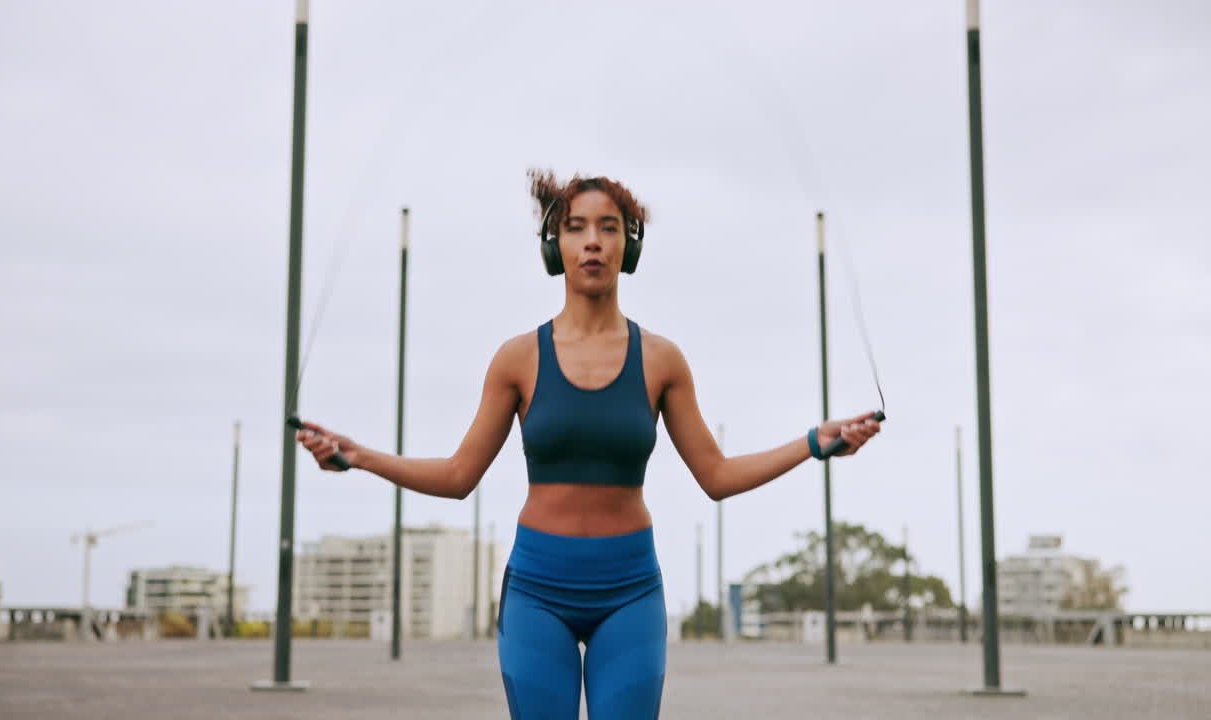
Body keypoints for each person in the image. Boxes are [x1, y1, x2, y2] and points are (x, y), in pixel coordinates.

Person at [295, 169, 882, 719]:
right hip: (537, 590)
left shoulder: (662, 360)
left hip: (630, 591)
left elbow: (716, 475)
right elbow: (458, 477)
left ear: (630, 246)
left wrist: (813, 442)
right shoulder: (518, 359)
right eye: (574, 228)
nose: (592, 242)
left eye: (608, 228)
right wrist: (359, 456)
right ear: (555, 249)